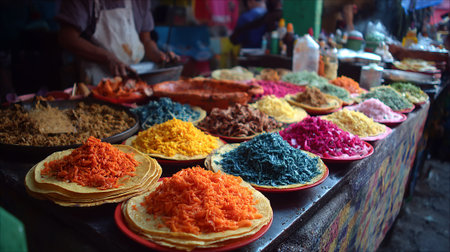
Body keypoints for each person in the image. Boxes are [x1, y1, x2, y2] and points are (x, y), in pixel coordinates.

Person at [56, 0, 177, 85]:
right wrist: (108, 57)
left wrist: (159, 55)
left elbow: (146, 40)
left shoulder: (140, 2)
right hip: (95, 80)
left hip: (134, 80)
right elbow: (67, 38)